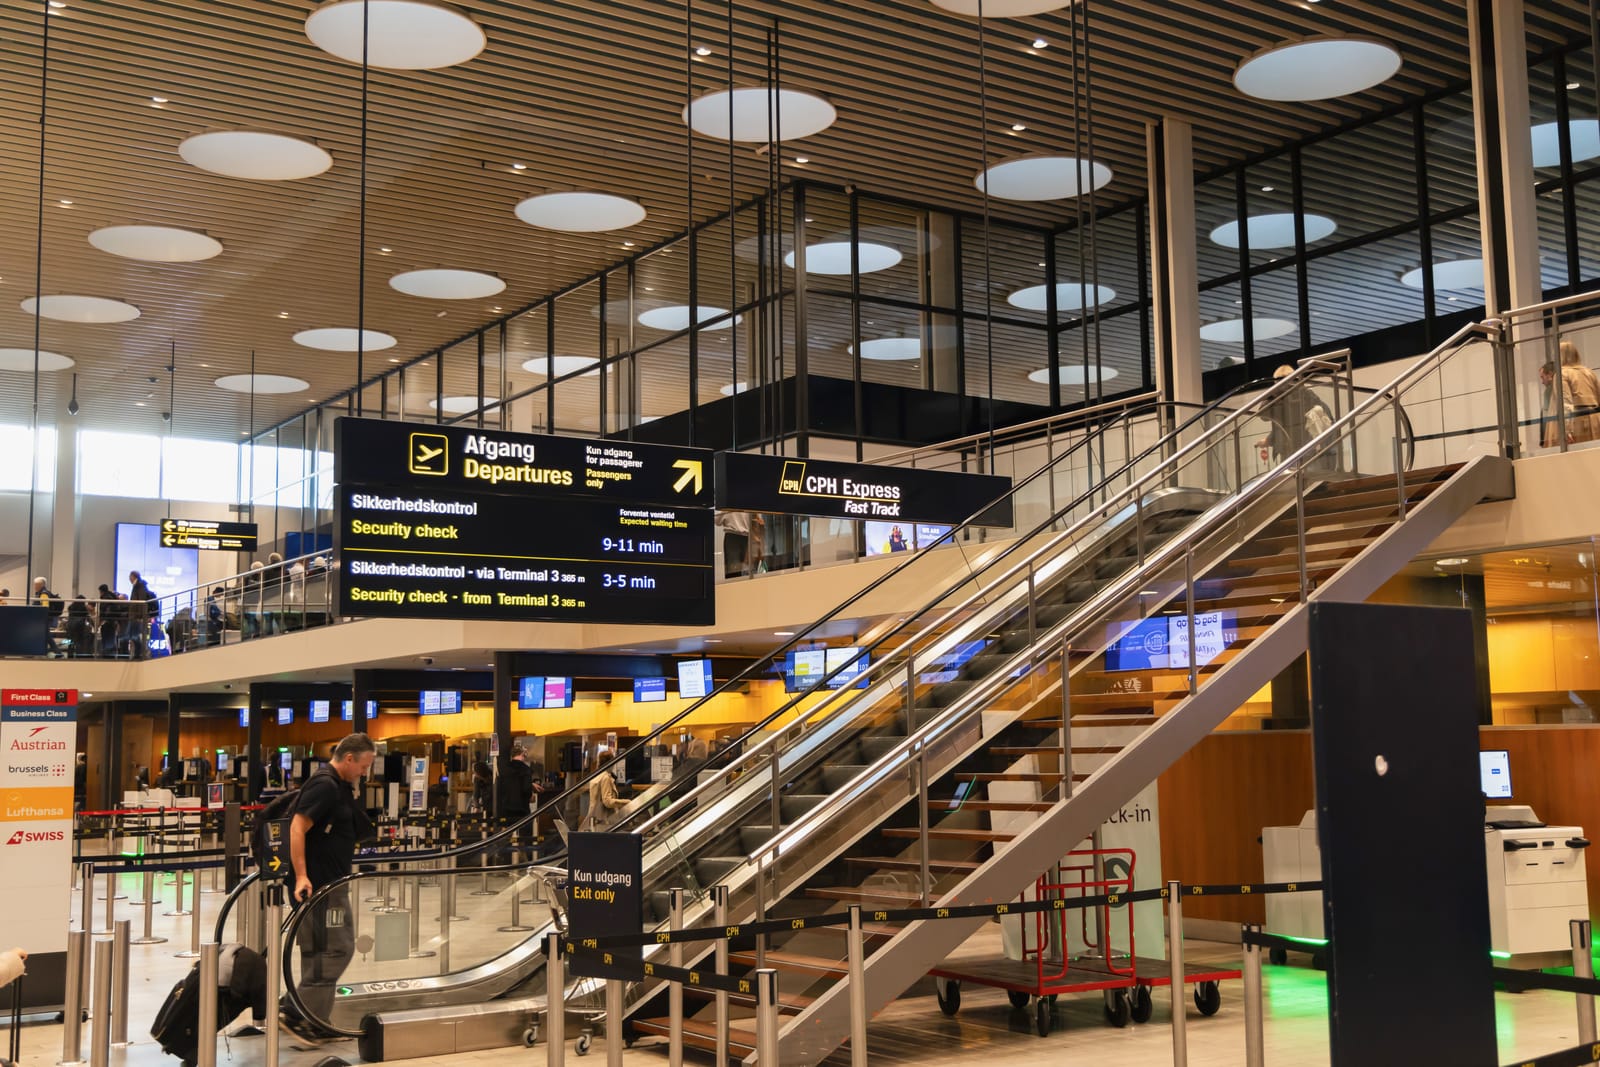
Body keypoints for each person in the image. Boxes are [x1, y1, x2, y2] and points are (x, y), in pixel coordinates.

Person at [287, 733, 375, 1043]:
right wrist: (301, 876)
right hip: (320, 886)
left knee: (318, 951)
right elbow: (297, 827)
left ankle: (315, 1021)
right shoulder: (325, 786)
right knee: (339, 948)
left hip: (325, 883)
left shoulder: (337, 786)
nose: (364, 772)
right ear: (349, 758)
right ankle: (296, 1012)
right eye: (363, 766)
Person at [1558, 341, 1600, 444]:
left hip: (1579, 423)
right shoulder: (1589, 372)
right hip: (1596, 419)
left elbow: (1566, 403)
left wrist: (1566, 430)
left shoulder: (1562, 373)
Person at [585, 755, 626, 831]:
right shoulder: (605, 777)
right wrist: (626, 802)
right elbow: (607, 802)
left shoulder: (596, 775)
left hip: (594, 817)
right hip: (605, 819)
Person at [127, 571, 154, 660]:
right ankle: (138, 653)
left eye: (130, 576)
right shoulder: (138, 586)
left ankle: (139, 654)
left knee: (136, 635)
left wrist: (140, 616)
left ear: (133, 576)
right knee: (134, 635)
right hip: (135, 616)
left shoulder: (140, 586)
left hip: (137, 617)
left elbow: (141, 601)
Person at [242, 562, 265, 639]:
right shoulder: (262, 577)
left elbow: (244, 590)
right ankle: (256, 633)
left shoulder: (246, 577)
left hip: (249, 601)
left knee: (250, 619)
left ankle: (252, 634)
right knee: (255, 619)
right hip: (256, 601)